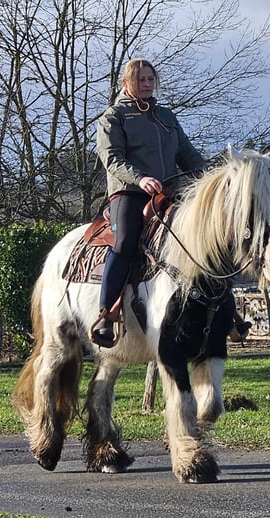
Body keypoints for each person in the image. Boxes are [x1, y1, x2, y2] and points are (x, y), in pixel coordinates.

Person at [91, 58, 207, 347]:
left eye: (150, 79)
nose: (146, 84)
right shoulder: (113, 117)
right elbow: (112, 158)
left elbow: (188, 154)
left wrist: (208, 178)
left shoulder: (166, 117)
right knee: (125, 241)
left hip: (168, 193)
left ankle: (222, 313)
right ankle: (106, 313)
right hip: (129, 193)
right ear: (125, 83)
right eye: (140, 79)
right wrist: (140, 178)